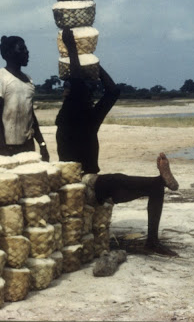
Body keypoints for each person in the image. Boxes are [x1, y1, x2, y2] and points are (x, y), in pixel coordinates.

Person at [55, 28, 179, 256]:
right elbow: (111, 90)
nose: (66, 92)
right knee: (134, 182)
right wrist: (88, 59)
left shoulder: (77, 113)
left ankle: (152, 239)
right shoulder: (85, 115)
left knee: (149, 185)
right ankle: (152, 237)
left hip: (91, 182)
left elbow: (98, 87)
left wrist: (83, 55)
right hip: (79, 182)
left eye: (67, 90)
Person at [0, 35, 49, 161]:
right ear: (9, 53)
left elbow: (31, 115)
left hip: (28, 144)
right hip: (8, 146)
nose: (26, 52)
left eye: (26, 49)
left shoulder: (28, 80)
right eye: (21, 49)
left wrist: (42, 144)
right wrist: (3, 148)